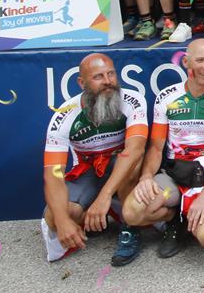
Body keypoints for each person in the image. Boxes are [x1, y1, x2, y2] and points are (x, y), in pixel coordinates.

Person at [121, 39, 204, 258]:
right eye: (200, 60)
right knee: (132, 212)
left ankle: (193, 216)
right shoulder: (167, 96)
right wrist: (146, 177)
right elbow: (156, 147)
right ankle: (174, 219)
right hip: (175, 174)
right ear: (186, 62)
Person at [41, 54, 146, 265]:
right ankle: (95, 219)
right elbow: (53, 174)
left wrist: (104, 196)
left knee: (132, 163)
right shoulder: (64, 115)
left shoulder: (132, 100)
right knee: (54, 216)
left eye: (111, 74)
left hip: (121, 165)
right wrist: (62, 221)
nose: (108, 81)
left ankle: (129, 229)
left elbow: (135, 149)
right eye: (98, 76)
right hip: (88, 170)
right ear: (82, 83)